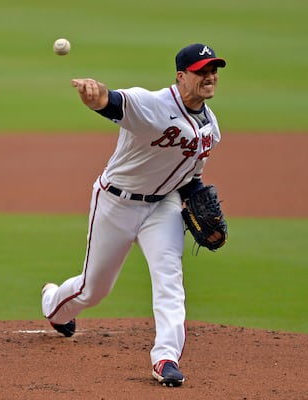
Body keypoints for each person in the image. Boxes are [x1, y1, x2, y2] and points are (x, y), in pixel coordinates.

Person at [41, 43, 226, 387]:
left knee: (169, 278)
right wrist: (94, 94)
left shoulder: (211, 127)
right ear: (181, 76)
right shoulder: (153, 104)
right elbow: (113, 102)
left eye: (213, 71)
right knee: (93, 290)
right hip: (116, 202)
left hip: (163, 206)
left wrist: (196, 198)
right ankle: (54, 306)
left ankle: (166, 358)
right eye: (201, 71)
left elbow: (191, 178)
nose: (209, 77)